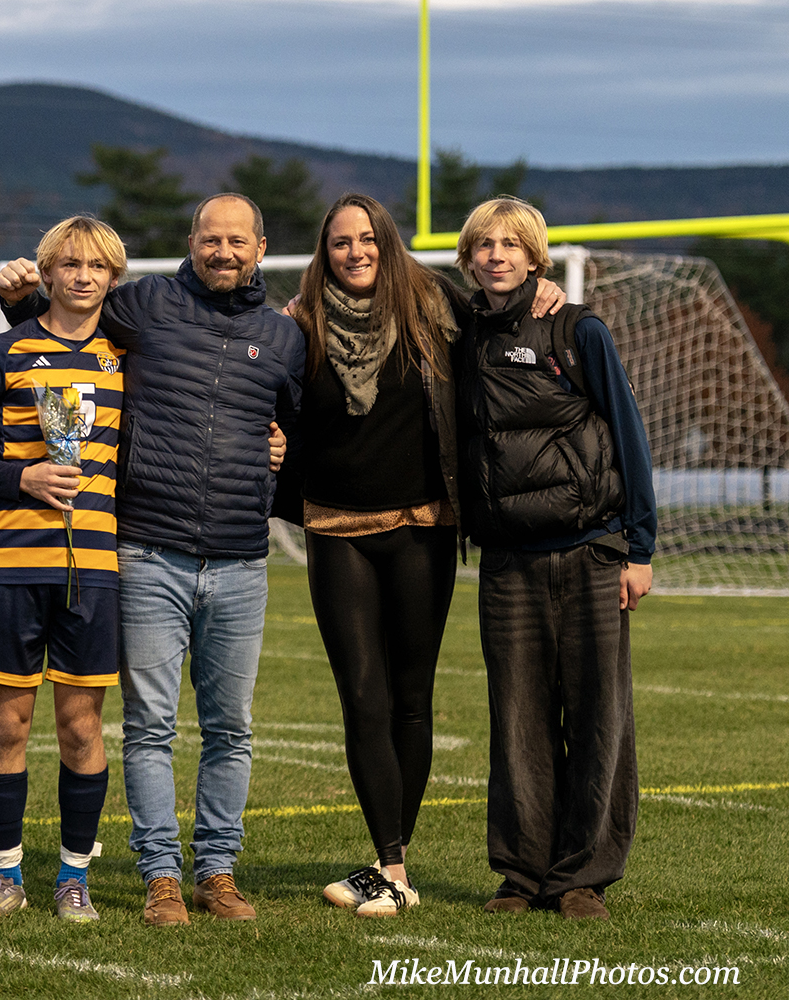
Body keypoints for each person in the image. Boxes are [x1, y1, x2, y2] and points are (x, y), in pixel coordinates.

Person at [0, 194, 304, 925]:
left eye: (237, 241)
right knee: (150, 727)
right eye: (210, 239)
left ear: (260, 248)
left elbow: (300, 426)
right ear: (190, 242)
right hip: (147, 551)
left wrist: (281, 450)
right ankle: (160, 875)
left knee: (231, 729)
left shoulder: (284, 337)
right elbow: (64, 322)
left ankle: (217, 872)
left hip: (241, 559)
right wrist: (18, 300)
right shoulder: (144, 304)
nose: (223, 252)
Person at [282, 194, 565, 917]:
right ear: (324, 251)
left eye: (367, 238)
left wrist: (544, 295)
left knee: (412, 697)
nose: (356, 252)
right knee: (362, 696)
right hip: (336, 526)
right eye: (341, 242)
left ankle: (391, 866)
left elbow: (503, 323)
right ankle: (392, 864)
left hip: (424, 523)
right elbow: (265, 394)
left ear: (387, 240)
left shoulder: (434, 302)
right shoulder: (301, 322)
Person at [454, 196, 655, 920]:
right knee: (517, 721)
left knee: (599, 719)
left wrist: (640, 547)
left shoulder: (578, 329)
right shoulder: (459, 331)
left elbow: (629, 436)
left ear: (536, 257)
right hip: (508, 561)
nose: (497, 255)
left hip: (591, 550)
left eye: (512, 244)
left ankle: (581, 878)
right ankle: (521, 874)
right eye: (485, 244)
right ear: (467, 258)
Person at [0, 216, 126, 922]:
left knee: (81, 729)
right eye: (68, 263)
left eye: (96, 266)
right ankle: (6, 876)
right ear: (46, 272)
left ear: (113, 277)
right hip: (10, 567)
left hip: (93, 570)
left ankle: (74, 879)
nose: (82, 276)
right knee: (7, 726)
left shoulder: (128, 354)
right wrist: (22, 479)